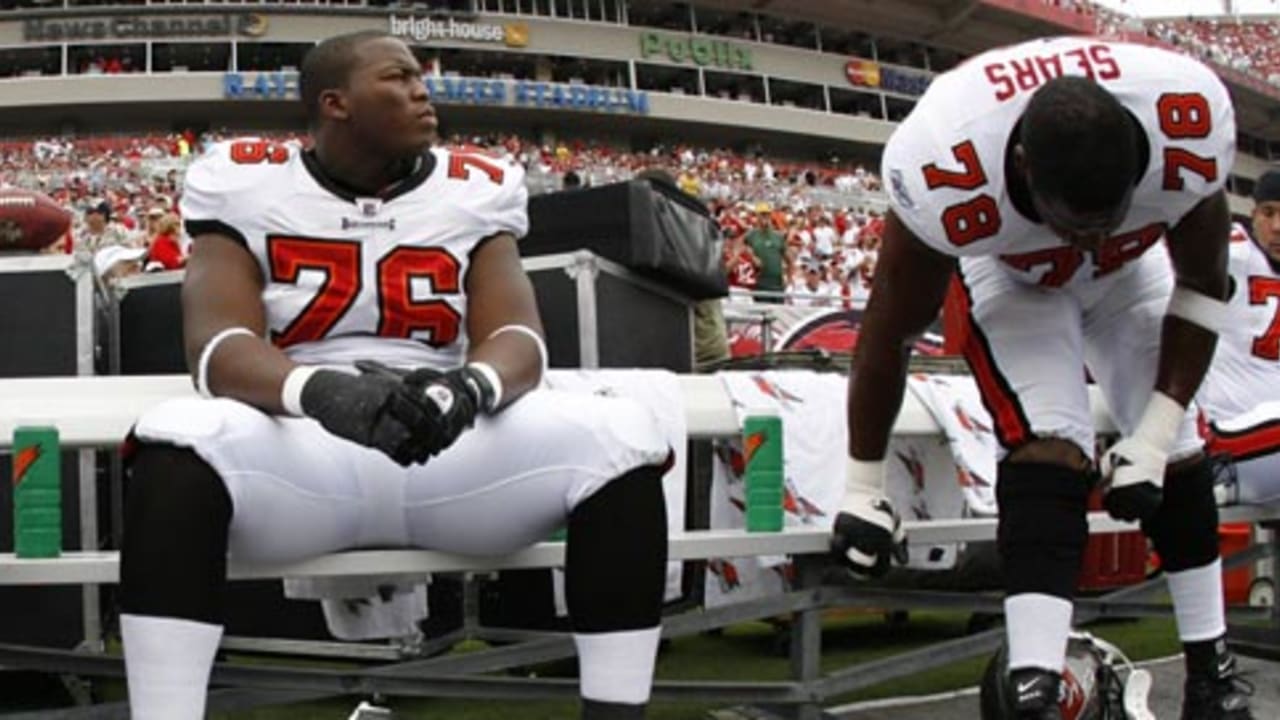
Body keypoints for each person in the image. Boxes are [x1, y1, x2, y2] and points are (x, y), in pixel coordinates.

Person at [119, 30, 671, 720]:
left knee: (621, 438)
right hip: (303, 443)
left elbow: (517, 337)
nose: (423, 90)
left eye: (422, 76)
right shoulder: (244, 179)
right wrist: (319, 391)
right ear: (336, 103)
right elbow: (216, 345)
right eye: (399, 77)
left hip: (447, 440)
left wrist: (467, 388)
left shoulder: (476, 187)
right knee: (176, 441)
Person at [836, 37, 1251, 719]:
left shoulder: (1189, 117)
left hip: (1132, 275)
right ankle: (1036, 682)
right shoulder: (948, 158)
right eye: (1073, 223)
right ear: (1022, 168)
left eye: (1104, 219)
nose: (1086, 239)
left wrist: (1152, 434)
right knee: (1047, 443)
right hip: (1012, 274)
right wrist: (862, 485)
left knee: (1176, 450)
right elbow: (890, 330)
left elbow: (1203, 286)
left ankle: (1212, 670)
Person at [1199, 168, 1280, 505]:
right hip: (1226, 443)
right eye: (1269, 212)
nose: (1277, 227)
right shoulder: (1230, 252)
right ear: (1253, 213)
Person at [743, 202, 787, 303]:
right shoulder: (751, 235)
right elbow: (740, 248)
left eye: (767, 214)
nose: (765, 217)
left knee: (779, 314)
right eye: (762, 214)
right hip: (760, 283)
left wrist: (789, 277)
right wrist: (752, 256)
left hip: (777, 284)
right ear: (757, 216)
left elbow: (788, 258)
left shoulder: (778, 236)